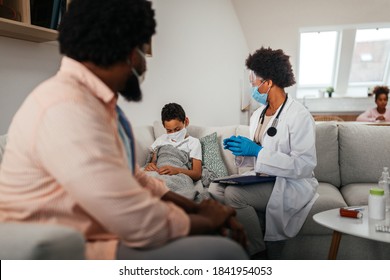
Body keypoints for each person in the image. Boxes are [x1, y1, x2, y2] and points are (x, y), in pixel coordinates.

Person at [0, 0, 247, 260]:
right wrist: (206, 220)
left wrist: (196, 209)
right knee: (223, 251)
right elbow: (136, 220)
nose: (143, 65)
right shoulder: (66, 107)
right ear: (124, 49)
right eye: (141, 50)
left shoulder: (97, 104)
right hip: (67, 246)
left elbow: (132, 178)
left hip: (96, 229)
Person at [209, 47, 319, 259]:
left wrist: (259, 151)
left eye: (254, 82)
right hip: (262, 176)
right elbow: (257, 155)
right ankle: (257, 231)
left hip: (289, 182)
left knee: (233, 195)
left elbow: (303, 165)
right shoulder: (258, 114)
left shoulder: (299, 116)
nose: (252, 86)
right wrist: (242, 150)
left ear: (268, 82)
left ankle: (257, 253)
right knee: (215, 188)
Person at [144, 103, 208, 200]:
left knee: (178, 193)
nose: (173, 134)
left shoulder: (193, 142)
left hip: (179, 175)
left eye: (177, 129)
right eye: (169, 131)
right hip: (159, 173)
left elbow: (197, 174)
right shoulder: (161, 140)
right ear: (164, 126)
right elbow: (153, 163)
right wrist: (150, 165)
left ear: (186, 121)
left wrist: (176, 170)